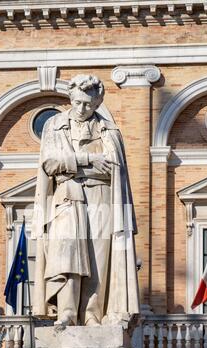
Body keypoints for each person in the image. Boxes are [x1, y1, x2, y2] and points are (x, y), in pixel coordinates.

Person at [31, 74, 140, 328]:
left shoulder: (110, 131)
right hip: (68, 197)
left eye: (89, 104)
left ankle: (92, 315)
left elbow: (114, 168)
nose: (82, 108)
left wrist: (71, 165)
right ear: (71, 98)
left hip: (102, 198)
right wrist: (87, 160)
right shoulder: (54, 125)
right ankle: (67, 313)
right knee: (66, 254)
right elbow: (50, 163)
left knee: (98, 258)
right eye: (78, 102)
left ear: (98, 103)